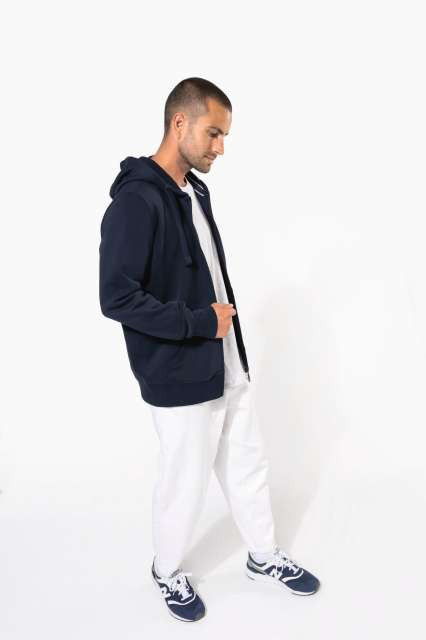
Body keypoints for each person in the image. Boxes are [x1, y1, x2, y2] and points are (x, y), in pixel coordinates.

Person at [99, 77, 320, 622]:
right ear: (180, 123)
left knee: (248, 462)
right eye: (214, 133)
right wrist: (199, 322)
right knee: (186, 480)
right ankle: (167, 570)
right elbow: (117, 297)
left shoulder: (194, 191)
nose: (220, 147)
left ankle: (262, 555)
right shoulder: (136, 201)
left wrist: (225, 340)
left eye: (224, 136)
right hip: (178, 368)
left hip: (224, 359)